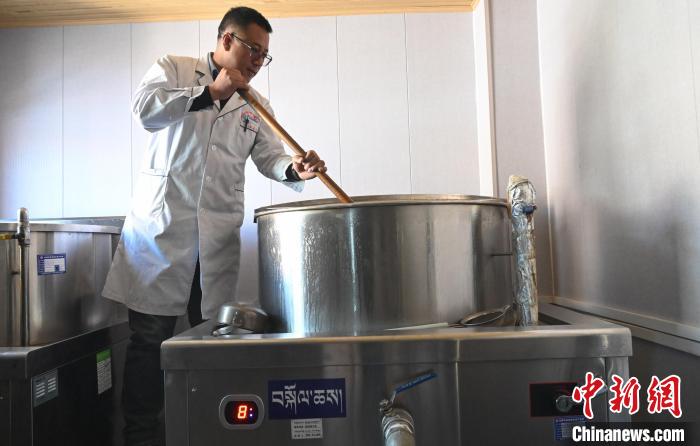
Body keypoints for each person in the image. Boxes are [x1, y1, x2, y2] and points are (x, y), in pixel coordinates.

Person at [102, 6, 326, 446]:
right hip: (160, 239)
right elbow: (145, 110)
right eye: (253, 50)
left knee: (208, 346)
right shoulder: (174, 69)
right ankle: (141, 438)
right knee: (149, 345)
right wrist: (209, 92)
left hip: (215, 246)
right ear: (226, 40)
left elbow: (270, 158)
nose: (258, 61)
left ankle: (202, 435)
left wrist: (295, 169)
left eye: (264, 55)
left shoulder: (256, 106)